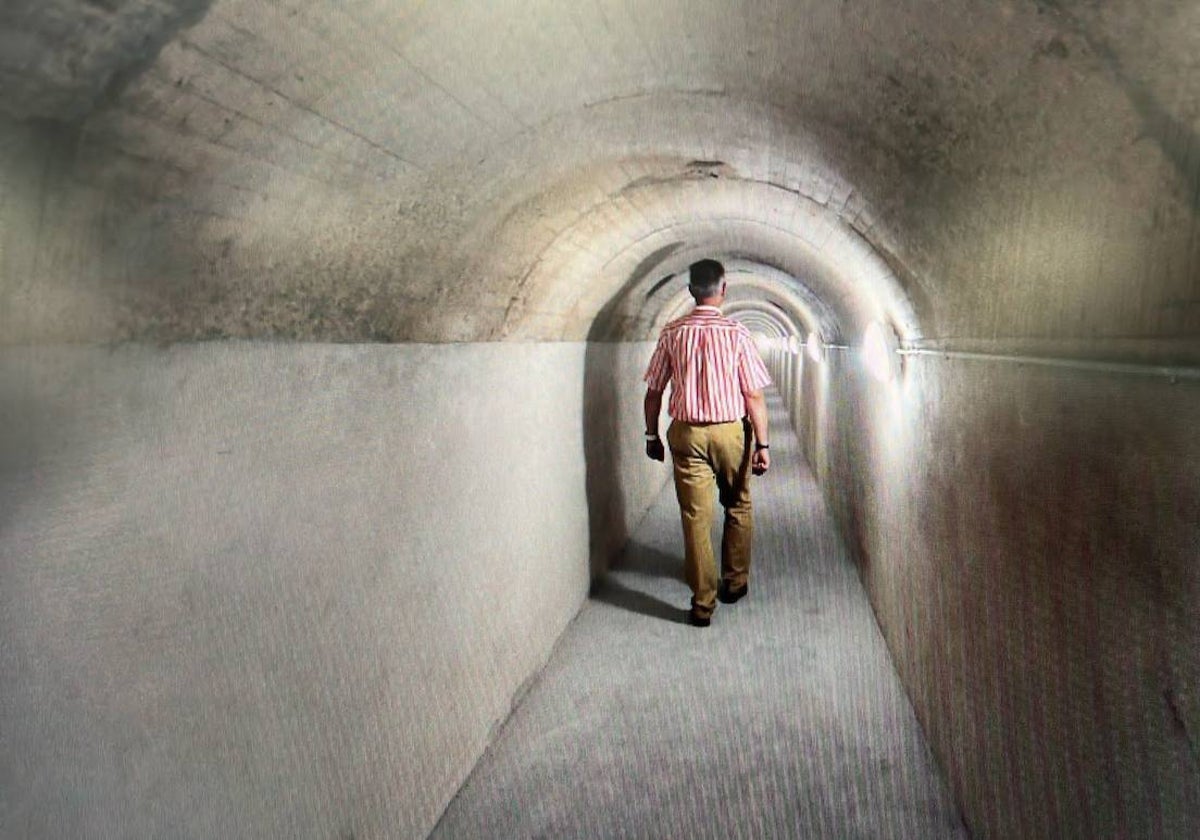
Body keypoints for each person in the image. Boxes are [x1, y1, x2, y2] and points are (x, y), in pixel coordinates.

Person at [642, 259, 772, 627]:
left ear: (690, 291)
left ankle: (702, 604)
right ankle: (735, 582)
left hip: (687, 432)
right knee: (738, 504)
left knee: (695, 518)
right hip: (730, 430)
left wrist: (651, 434)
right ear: (723, 289)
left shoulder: (672, 332)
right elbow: (754, 395)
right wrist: (762, 444)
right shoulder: (737, 333)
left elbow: (654, 392)